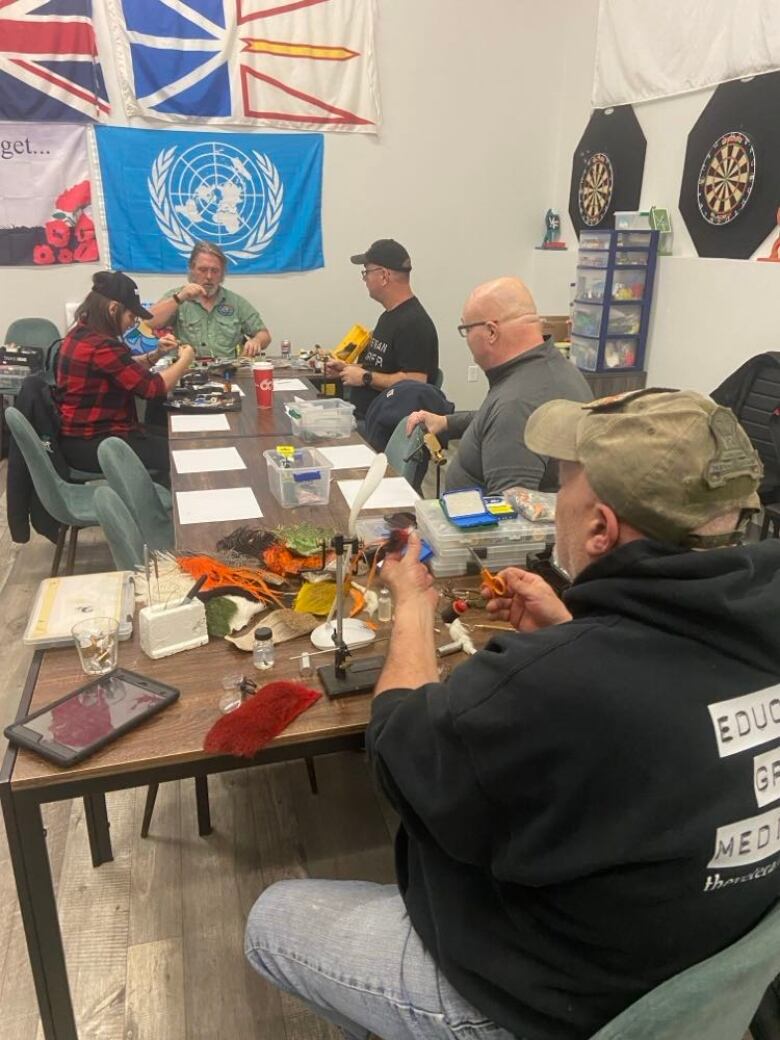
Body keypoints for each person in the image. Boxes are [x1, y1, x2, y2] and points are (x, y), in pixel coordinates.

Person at [245, 388, 780, 1040]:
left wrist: (413, 608)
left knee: (270, 921)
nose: (551, 505)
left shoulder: (559, 686)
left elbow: (399, 749)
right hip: (691, 978)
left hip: (545, 1004)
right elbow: (667, 711)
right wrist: (577, 626)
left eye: (563, 489)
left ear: (600, 528)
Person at [406, 276, 591, 495]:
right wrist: (446, 422)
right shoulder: (550, 370)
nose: (466, 340)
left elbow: (510, 522)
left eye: (466, 329)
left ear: (491, 332)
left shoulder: (516, 404)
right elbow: (497, 420)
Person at [57, 270, 195, 480]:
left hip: (85, 438)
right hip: (95, 445)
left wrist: (156, 354)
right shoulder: (101, 346)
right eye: (131, 316)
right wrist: (185, 359)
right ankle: (158, 505)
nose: (133, 323)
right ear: (113, 309)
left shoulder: (80, 334)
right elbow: (153, 388)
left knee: (176, 436)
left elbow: (123, 368)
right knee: (184, 452)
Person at [326, 239, 439, 419]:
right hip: (365, 416)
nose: (364, 279)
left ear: (384, 276)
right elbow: (381, 366)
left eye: (367, 272)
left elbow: (416, 382)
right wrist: (347, 368)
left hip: (383, 426)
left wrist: (365, 377)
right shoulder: (389, 317)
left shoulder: (414, 323)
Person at [148, 241, 271, 358]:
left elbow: (264, 335)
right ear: (192, 269)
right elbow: (149, 322)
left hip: (227, 372)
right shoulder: (177, 297)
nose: (209, 276)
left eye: (215, 271)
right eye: (203, 270)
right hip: (187, 371)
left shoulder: (235, 302)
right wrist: (180, 297)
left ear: (222, 273)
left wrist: (256, 341)